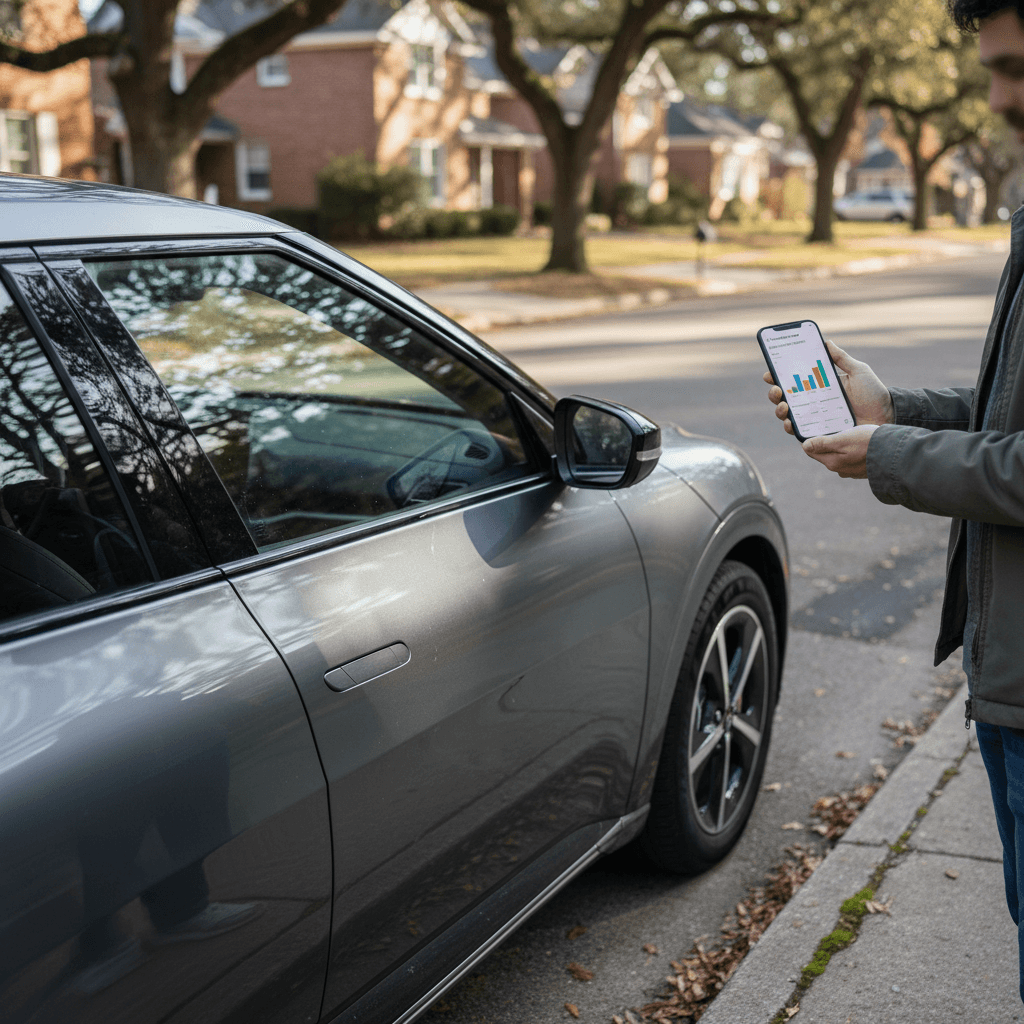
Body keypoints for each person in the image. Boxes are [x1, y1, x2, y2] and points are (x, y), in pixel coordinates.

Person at [764, 2, 1024, 1000]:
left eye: (1017, 68)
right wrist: (890, 408)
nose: (997, 98)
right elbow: (1004, 413)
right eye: (991, 68)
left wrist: (889, 452)